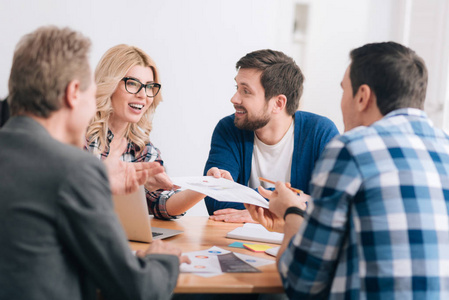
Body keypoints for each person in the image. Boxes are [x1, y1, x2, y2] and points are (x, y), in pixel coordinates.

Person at [246, 42, 449, 299]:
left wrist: (292, 212)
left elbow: (301, 281)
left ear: (362, 97)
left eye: (344, 90)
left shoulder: (352, 149)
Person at [0, 26, 189, 300]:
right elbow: (136, 288)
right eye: (92, 92)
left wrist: (99, 178)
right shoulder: (72, 168)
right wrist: (162, 260)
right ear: (73, 93)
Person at [204, 49, 339, 223]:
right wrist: (294, 203)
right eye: (237, 88)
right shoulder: (228, 129)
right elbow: (216, 202)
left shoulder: (320, 132)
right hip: (239, 239)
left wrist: (259, 209)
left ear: (278, 103)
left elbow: (333, 205)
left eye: (246, 91)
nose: (234, 98)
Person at [86, 44, 217, 220]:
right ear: (109, 84)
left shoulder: (142, 148)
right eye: (132, 83)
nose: (143, 95)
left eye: (149, 87)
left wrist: (205, 186)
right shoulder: (78, 137)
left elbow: (162, 204)